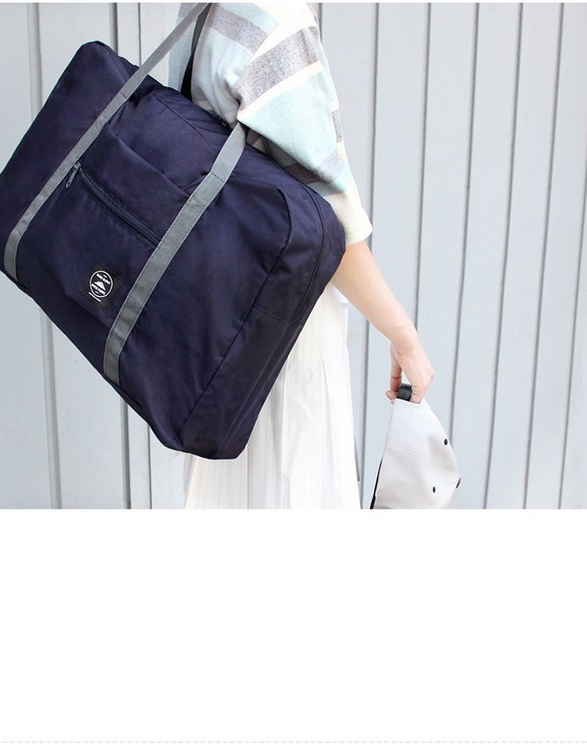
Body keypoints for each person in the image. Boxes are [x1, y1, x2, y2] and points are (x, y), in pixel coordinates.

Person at [168, 2, 433, 509]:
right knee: (293, 487)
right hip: (281, 327)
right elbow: (332, 227)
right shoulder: (280, 20)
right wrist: (405, 337)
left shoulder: (204, 6)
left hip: (220, 316)